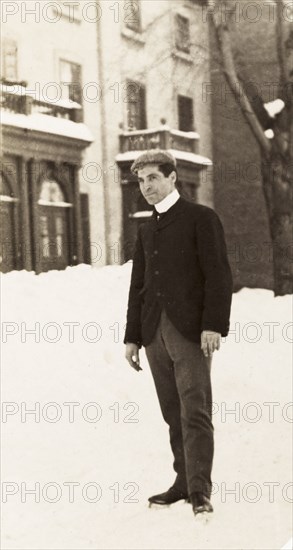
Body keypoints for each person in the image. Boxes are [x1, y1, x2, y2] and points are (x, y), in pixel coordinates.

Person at [124, 150, 233, 517]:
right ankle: (183, 481)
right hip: (154, 332)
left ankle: (201, 489)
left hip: (190, 331)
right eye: (141, 181)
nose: (146, 187)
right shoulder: (146, 228)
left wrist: (213, 325)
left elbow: (218, 275)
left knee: (195, 410)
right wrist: (133, 337)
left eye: (153, 178)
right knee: (173, 411)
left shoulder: (201, 218)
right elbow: (138, 285)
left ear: (172, 177)